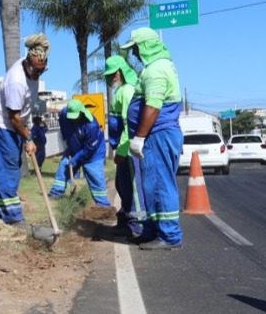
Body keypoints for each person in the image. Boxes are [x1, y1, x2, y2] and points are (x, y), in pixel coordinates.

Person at [122, 28, 183, 249]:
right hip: (155, 136)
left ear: (146, 46)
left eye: (136, 48)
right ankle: (153, 229)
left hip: (158, 135)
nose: (135, 54)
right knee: (150, 185)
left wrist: (139, 137)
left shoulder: (157, 70)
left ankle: (169, 235)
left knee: (160, 185)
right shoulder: (157, 67)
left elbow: (153, 106)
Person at [0, 34, 50, 223]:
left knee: (12, 165)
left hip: (15, 124)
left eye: (42, 71)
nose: (38, 75)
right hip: (3, 125)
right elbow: (14, 118)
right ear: (28, 62)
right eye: (36, 71)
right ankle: (13, 218)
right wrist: (28, 138)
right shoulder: (16, 82)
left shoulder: (36, 64)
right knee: (8, 169)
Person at [104, 55, 145, 236]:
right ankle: (126, 220)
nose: (111, 77)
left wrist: (121, 149)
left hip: (127, 149)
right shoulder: (120, 91)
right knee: (123, 186)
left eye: (113, 73)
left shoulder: (128, 91)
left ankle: (138, 226)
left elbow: (129, 125)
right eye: (109, 74)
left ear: (120, 72)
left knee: (134, 188)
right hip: (121, 149)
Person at [48, 99, 110, 205]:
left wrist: (76, 159)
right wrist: (67, 145)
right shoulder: (64, 114)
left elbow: (89, 149)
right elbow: (64, 130)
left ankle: (103, 206)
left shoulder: (91, 125)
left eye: (75, 116)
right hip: (73, 147)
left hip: (93, 154)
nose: (73, 119)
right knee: (63, 168)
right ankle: (55, 194)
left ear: (81, 112)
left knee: (95, 178)